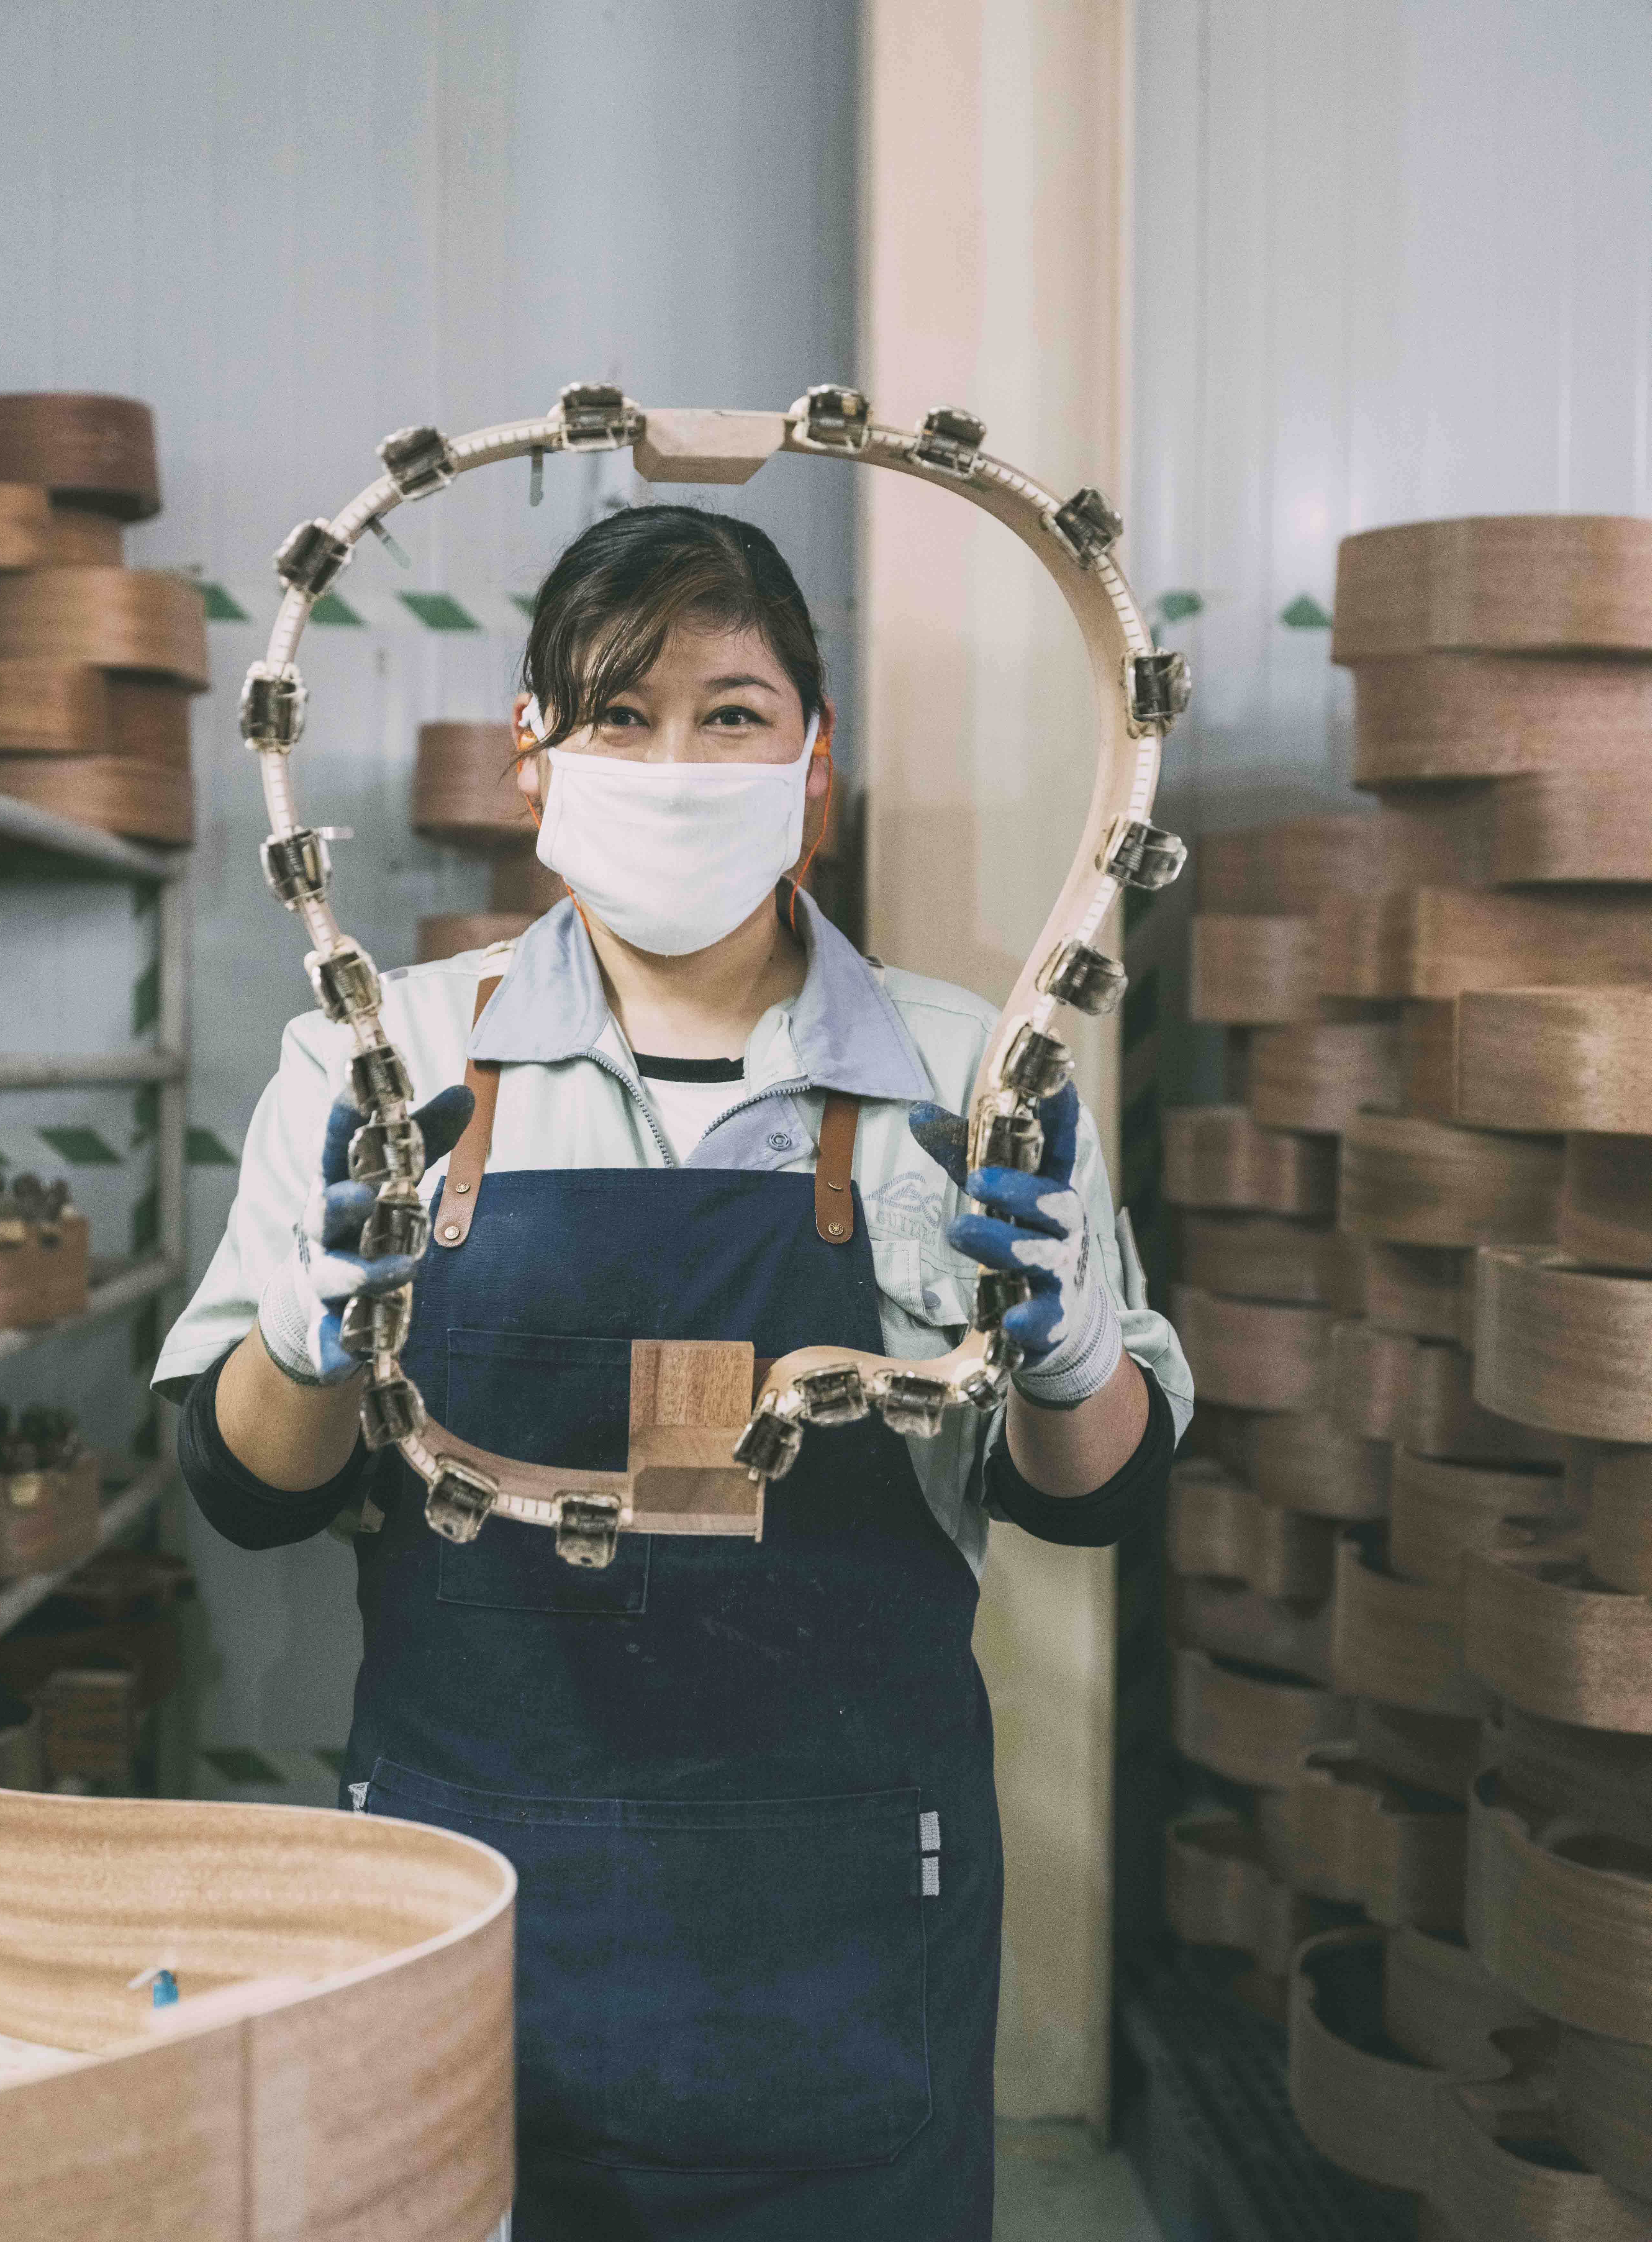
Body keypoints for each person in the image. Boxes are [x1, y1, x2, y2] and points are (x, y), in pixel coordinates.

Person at [156, 503, 1192, 2242]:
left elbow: (1100, 1496)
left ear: (814, 758)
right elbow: (241, 1490)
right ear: (534, 758)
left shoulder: (976, 1075)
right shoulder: (382, 1055)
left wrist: (1079, 1353)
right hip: (473, 1917)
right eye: (620, 715)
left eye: (733, 713)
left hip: (843, 1953)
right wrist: (306, 1338)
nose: (677, 758)